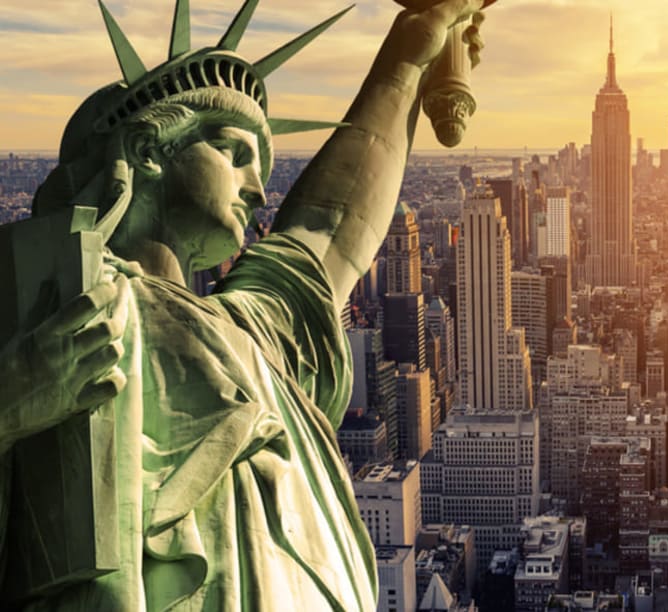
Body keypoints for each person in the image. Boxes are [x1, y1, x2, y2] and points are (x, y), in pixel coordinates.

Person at [0, 0, 486, 610]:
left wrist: (415, 44)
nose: (257, 189)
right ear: (149, 148)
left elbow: (330, 228)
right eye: (235, 153)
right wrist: (13, 402)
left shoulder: (247, 332)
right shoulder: (46, 313)